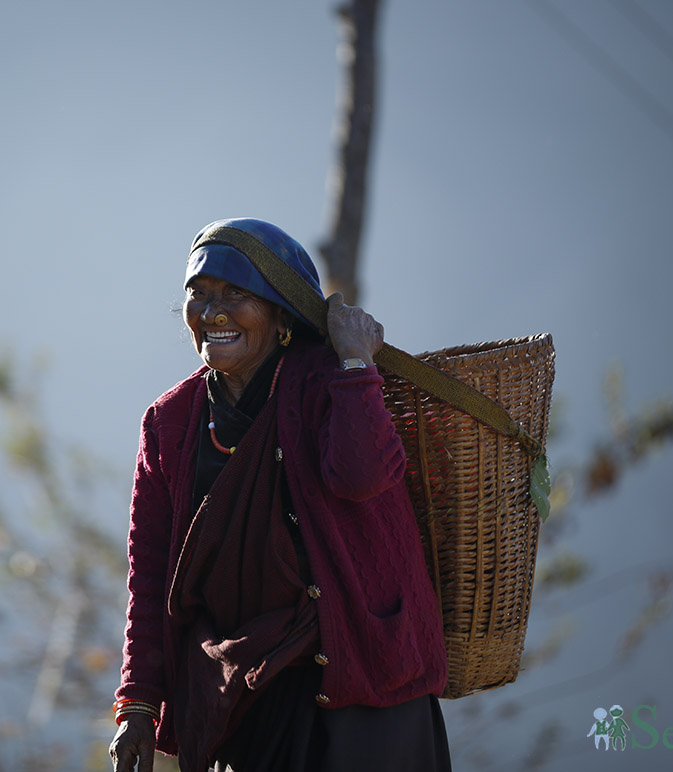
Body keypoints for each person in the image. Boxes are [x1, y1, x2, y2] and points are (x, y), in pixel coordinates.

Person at [109, 218, 451, 772]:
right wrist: (138, 705)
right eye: (200, 294)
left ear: (281, 314)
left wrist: (356, 360)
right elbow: (149, 575)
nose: (213, 313)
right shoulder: (169, 422)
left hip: (366, 690)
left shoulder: (329, 383)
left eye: (236, 294)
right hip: (242, 699)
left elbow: (363, 476)